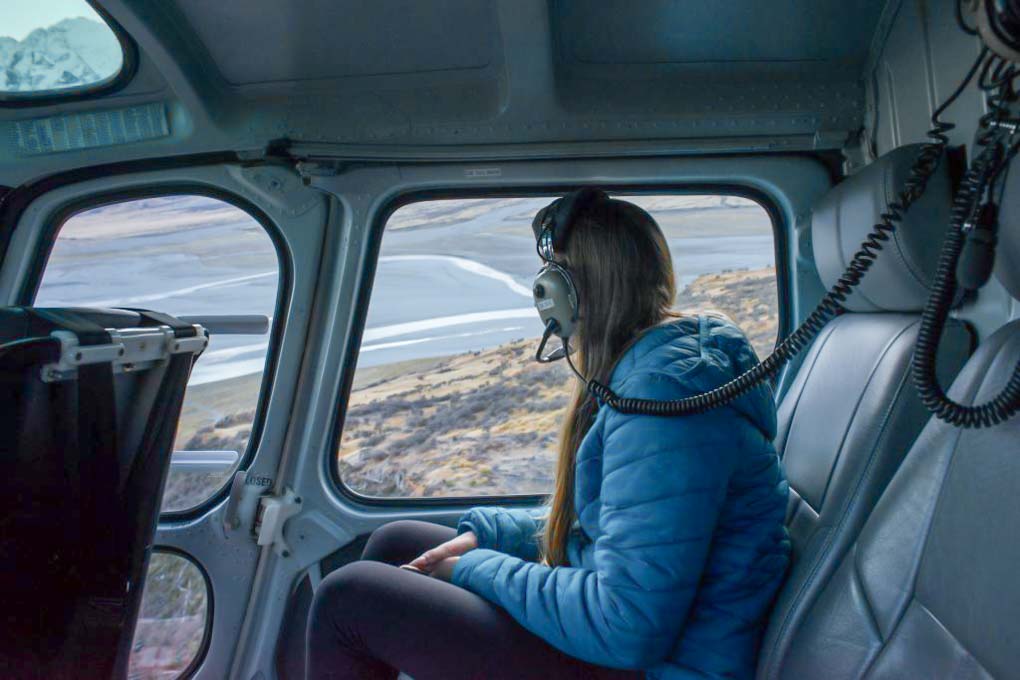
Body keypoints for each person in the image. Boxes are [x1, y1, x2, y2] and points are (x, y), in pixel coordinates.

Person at [307, 193, 790, 680]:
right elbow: (622, 522)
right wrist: (490, 535)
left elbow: (627, 625)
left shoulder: (666, 407)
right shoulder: (652, 375)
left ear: (572, 293)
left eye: (552, 279)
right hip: (639, 636)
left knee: (348, 600)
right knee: (396, 543)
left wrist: (471, 567)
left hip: (660, 664)